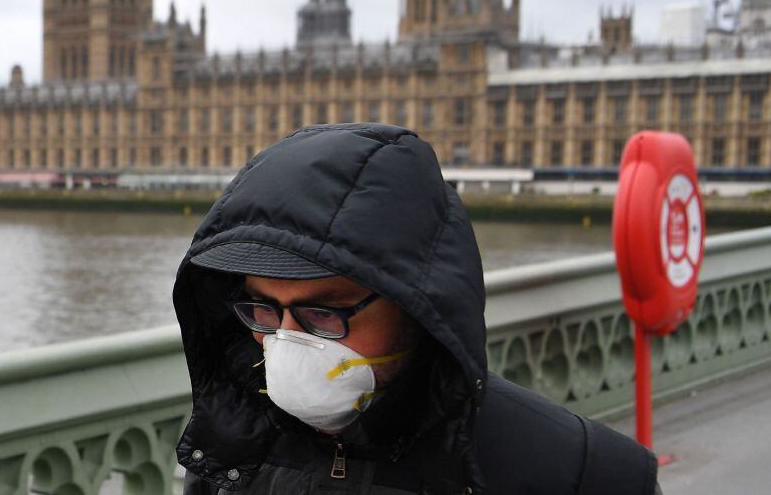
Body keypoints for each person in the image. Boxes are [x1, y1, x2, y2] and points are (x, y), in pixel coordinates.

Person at [172, 123, 659, 494]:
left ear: (412, 304)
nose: (286, 341)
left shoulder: (589, 474)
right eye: (263, 311)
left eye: (323, 314)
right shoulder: (229, 457)